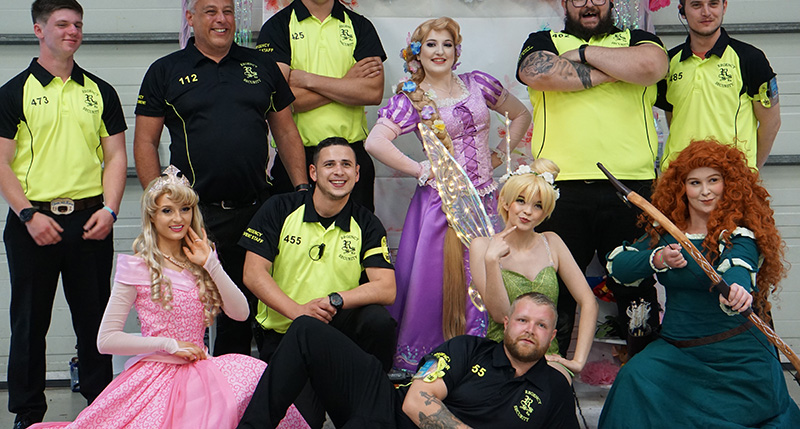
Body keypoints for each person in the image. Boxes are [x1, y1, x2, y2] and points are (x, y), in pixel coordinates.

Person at [30, 167, 309, 429]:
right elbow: (106, 340)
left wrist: (211, 264)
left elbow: (241, 313)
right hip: (156, 374)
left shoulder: (201, 259)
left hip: (203, 372)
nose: (178, 219)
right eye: (167, 210)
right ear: (152, 216)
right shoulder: (137, 266)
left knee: (256, 376)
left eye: (185, 209)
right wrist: (169, 345)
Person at [134, 0, 307, 356]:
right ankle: (203, 388)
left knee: (254, 309)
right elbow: (145, 141)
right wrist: (160, 205)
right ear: (190, 18)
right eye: (210, 11)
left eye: (228, 12)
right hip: (195, 215)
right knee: (195, 311)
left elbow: (286, 131)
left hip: (257, 209)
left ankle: (257, 385)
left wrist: (301, 190)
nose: (221, 19)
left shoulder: (260, 65)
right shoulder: (165, 71)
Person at [516, 0, 668, 355]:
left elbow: (652, 67)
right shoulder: (543, 40)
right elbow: (537, 73)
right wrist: (619, 70)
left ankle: (643, 371)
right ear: (565, 4)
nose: (589, 5)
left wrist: (583, 54)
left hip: (630, 188)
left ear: (610, 1)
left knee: (636, 288)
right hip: (559, 189)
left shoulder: (639, 39)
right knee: (555, 288)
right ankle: (547, 373)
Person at [365, 16, 531, 372]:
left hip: (487, 202)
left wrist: (499, 155)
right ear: (417, 52)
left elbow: (520, 115)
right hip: (441, 206)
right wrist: (421, 169)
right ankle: (437, 360)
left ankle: (486, 358)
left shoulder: (478, 84)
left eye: (447, 44)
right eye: (431, 44)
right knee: (437, 284)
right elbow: (375, 141)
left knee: (488, 278)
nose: (439, 51)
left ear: (457, 51)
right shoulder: (411, 98)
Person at [599, 140, 800, 428]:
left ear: (728, 185)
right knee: (634, 376)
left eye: (713, 180)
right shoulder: (665, 233)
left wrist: (737, 291)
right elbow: (618, 267)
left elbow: (738, 267)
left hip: (738, 359)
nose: (705, 191)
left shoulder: (739, 235)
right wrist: (658, 259)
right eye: (695, 183)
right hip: (676, 353)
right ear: (682, 188)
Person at [0, 0, 126, 429]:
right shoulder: (14, 92)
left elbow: (115, 157)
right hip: (32, 222)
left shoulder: (100, 92)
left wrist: (111, 210)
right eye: (62, 24)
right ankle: (27, 413)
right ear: (39, 30)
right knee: (29, 322)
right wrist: (26, 215)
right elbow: (2, 162)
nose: (73, 31)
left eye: (78, 24)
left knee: (95, 321)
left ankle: (100, 408)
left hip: (91, 221)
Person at [237, 292, 579, 429]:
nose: (529, 330)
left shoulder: (554, 390)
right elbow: (416, 402)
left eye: (541, 325)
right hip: (386, 405)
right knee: (306, 330)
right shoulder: (469, 349)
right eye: (522, 320)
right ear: (506, 322)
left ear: (552, 336)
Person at [241, 137, 396, 428]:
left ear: (357, 174)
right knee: (304, 422)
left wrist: (335, 299)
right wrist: (299, 311)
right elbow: (253, 273)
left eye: (346, 165)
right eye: (329, 164)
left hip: (336, 341)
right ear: (313, 172)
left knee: (378, 321)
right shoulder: (280, 208)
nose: (338, 171)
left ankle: (368, 402)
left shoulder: (366, 223)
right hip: (284, 337)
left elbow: (386, 288)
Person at [257, 0, 386, 211]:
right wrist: (347, 84)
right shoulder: (277, 27)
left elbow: (373, 92)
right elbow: (279, 101)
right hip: (297, 159)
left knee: (357, 238)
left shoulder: (360, 26)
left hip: (352, 157)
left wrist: (307, 79)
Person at [469, 159, 598, 382]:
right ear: (506, 202)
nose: (528, 211)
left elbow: (588, 302)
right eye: (521, 201)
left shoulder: (552, 242)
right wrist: (491, 260)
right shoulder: (482, 246)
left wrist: (578, 361)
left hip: (546, 357)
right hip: (501, 354)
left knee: (554, 388)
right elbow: (500, 315)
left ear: (545, 212)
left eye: (537, 206)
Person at [658, 0, 781, 171]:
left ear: (724, 6)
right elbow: (674, 118)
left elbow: (771, 124)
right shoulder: (668, 62)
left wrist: (749, 172)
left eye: (713, 4)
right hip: (679, 178)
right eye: (696, 5)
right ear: (682, 11)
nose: (706, 12)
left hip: (731, 178)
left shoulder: (750, 58)